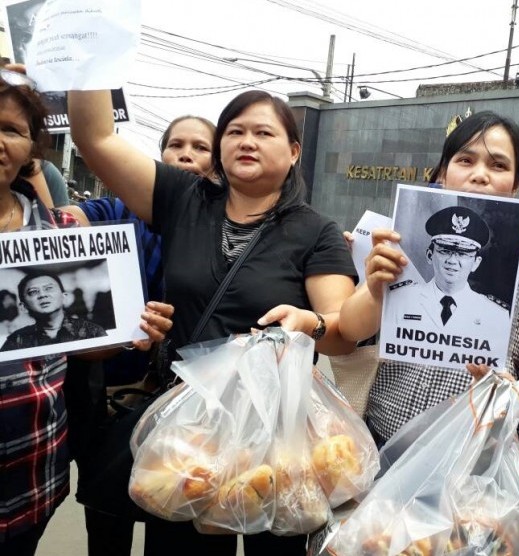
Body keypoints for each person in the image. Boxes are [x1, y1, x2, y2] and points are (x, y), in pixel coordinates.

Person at [68, 84, 357, 555]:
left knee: (274, 547)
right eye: (235, 131)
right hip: (190, 433)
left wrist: (311, 321)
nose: (247, 141)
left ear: (294, 151)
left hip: (279, 439)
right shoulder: (183, 198)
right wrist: (87, 58)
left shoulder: (314, 230)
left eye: (264, 132)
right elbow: (95, 138)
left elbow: (341, 332)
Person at [339, 110, 519, 533]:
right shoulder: (396, 249)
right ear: (442, 174)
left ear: (516, 184)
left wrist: (513, 392)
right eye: (465, 161)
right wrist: (373, 284)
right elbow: (349, 332)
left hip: (470, 462)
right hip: (381, 445)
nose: (480, 174)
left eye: (498, 164)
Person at [0, 67, 173, 556]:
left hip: (30, 475)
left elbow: (85, 348)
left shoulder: (56, 232)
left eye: (11, 129)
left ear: (32, 147)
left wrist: (129, 330)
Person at [60, 114, 216, 556]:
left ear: (216, 162)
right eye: (176, 145)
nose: (186, 154)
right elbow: (65, 221)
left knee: (174, 528)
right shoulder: (116, 211)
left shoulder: (225, 225)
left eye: (200, 147)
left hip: (189, 411)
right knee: (107, 526)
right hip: (113, 398)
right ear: (160, 156)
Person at [390, 205, 510, 336]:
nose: (452, 260)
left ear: (476, 263)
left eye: (463, 254)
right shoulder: (401, 300)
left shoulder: (496, 314)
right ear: (430, 255)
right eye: (445, 251)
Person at [0, 271, 106, 351]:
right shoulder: (16, 342)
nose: (42, 295)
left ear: (64, 297)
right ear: (23, 306)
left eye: (49, 288)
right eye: (33, 292)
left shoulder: (93, 332)